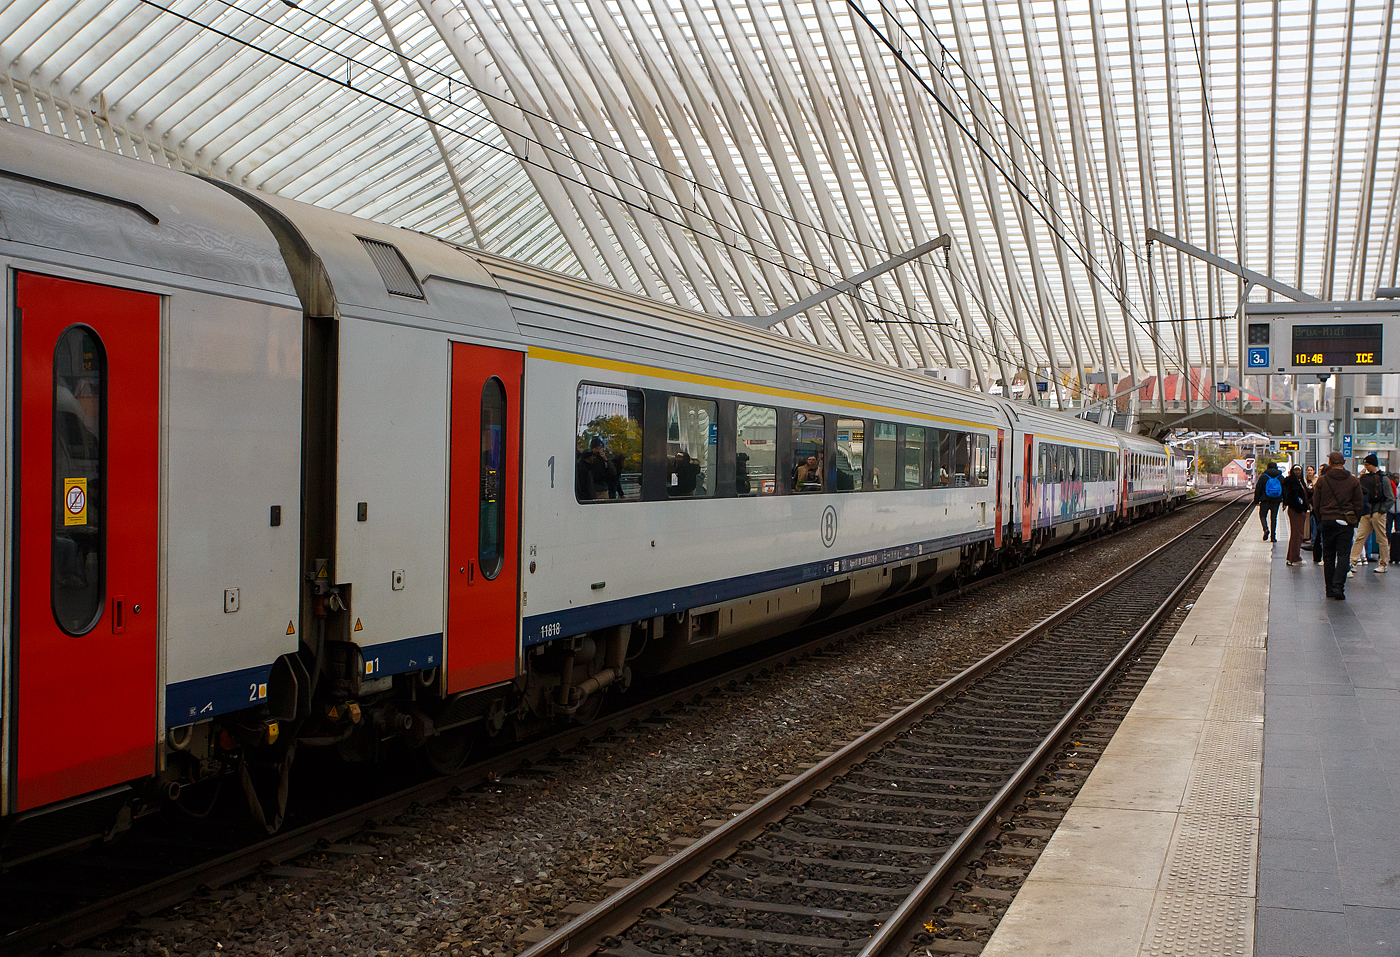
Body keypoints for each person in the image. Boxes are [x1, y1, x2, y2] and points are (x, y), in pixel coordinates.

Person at [1312, 451, 1364, 599]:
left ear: (1330, 463)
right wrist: (1354, 519)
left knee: (1328, 556)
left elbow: (1316, 502)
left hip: (1327, 520)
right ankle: (1338, 588)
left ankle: (1329, 589)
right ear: (1344, 462)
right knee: (1343, 555)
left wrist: (1320, 518)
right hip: (1345, 521)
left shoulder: (1322, 480)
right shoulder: (1353, 481)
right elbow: (1359, 503)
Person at [1350, 453, 1393, 572]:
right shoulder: (1381, 478)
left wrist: (1381, 511)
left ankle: (1383, 563)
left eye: (1367, 464)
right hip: (1372, 512)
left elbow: (1390, 498)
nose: (1365, 467)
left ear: (1372, 464)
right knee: (1362, 537)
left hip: (1374, 511)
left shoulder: (1382, 479)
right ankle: (1353, 561)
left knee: (1377, 538)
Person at [1282, 465, 1310, 565]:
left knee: (1296, 534)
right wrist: (1300, 508)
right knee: (1297, 534)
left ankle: (1291, 556)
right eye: (1296, 470)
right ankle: (1295, 558)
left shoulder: (1300, 482)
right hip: (1296, 510)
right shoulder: (1293, 482)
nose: (1298, 472)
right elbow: (1293, 496)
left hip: (1297, 510)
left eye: (1299, 470)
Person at [1254, 461, 1284, 542]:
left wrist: (1256, 501)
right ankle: (1273, 537)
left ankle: (1266, 529)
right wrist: (1284, 501)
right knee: (1274, 518)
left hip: (1265, 500)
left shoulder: (1264, 476)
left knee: (1262, 515)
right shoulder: (1280, 477)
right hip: (1276, 500)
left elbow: (1258, 489)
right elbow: (1284, 489)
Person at [1311, 462, 1328, 563]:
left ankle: (1319, 557)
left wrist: (1317, 513)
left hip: (1321, 513)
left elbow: (1315, 499)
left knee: (1319, 535)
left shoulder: (1320, 482)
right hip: (1330, 515)